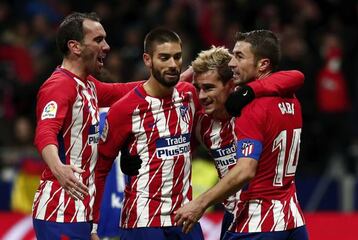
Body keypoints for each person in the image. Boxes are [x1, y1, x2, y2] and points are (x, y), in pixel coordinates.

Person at [175, 30, 309, 240]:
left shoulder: (250, 108)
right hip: (252, 214)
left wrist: (199, 204)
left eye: (209, 88)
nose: (201, 96)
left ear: (232, 85)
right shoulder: (202, 123)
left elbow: (246, 169)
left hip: (257, 215)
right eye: (198, 88)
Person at [32, 12, 138, 239]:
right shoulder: (59, 85)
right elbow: (45, 132)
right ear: (75, 47)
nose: (107, 46)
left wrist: (176, 79)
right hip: (59, 211)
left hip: (81, 211)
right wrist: (58, 168)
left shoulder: (88, 85)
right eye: (98, 40)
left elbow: (126, 91)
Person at [92, 27, 204, 240]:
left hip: (184, 217)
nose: (173, 64)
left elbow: (194, 141)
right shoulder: (124, 110)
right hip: (143, 221)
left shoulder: (189, 96)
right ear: (147, 60)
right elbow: (100, 169)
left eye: (177, 57)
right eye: (164, 58)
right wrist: (93, 226)